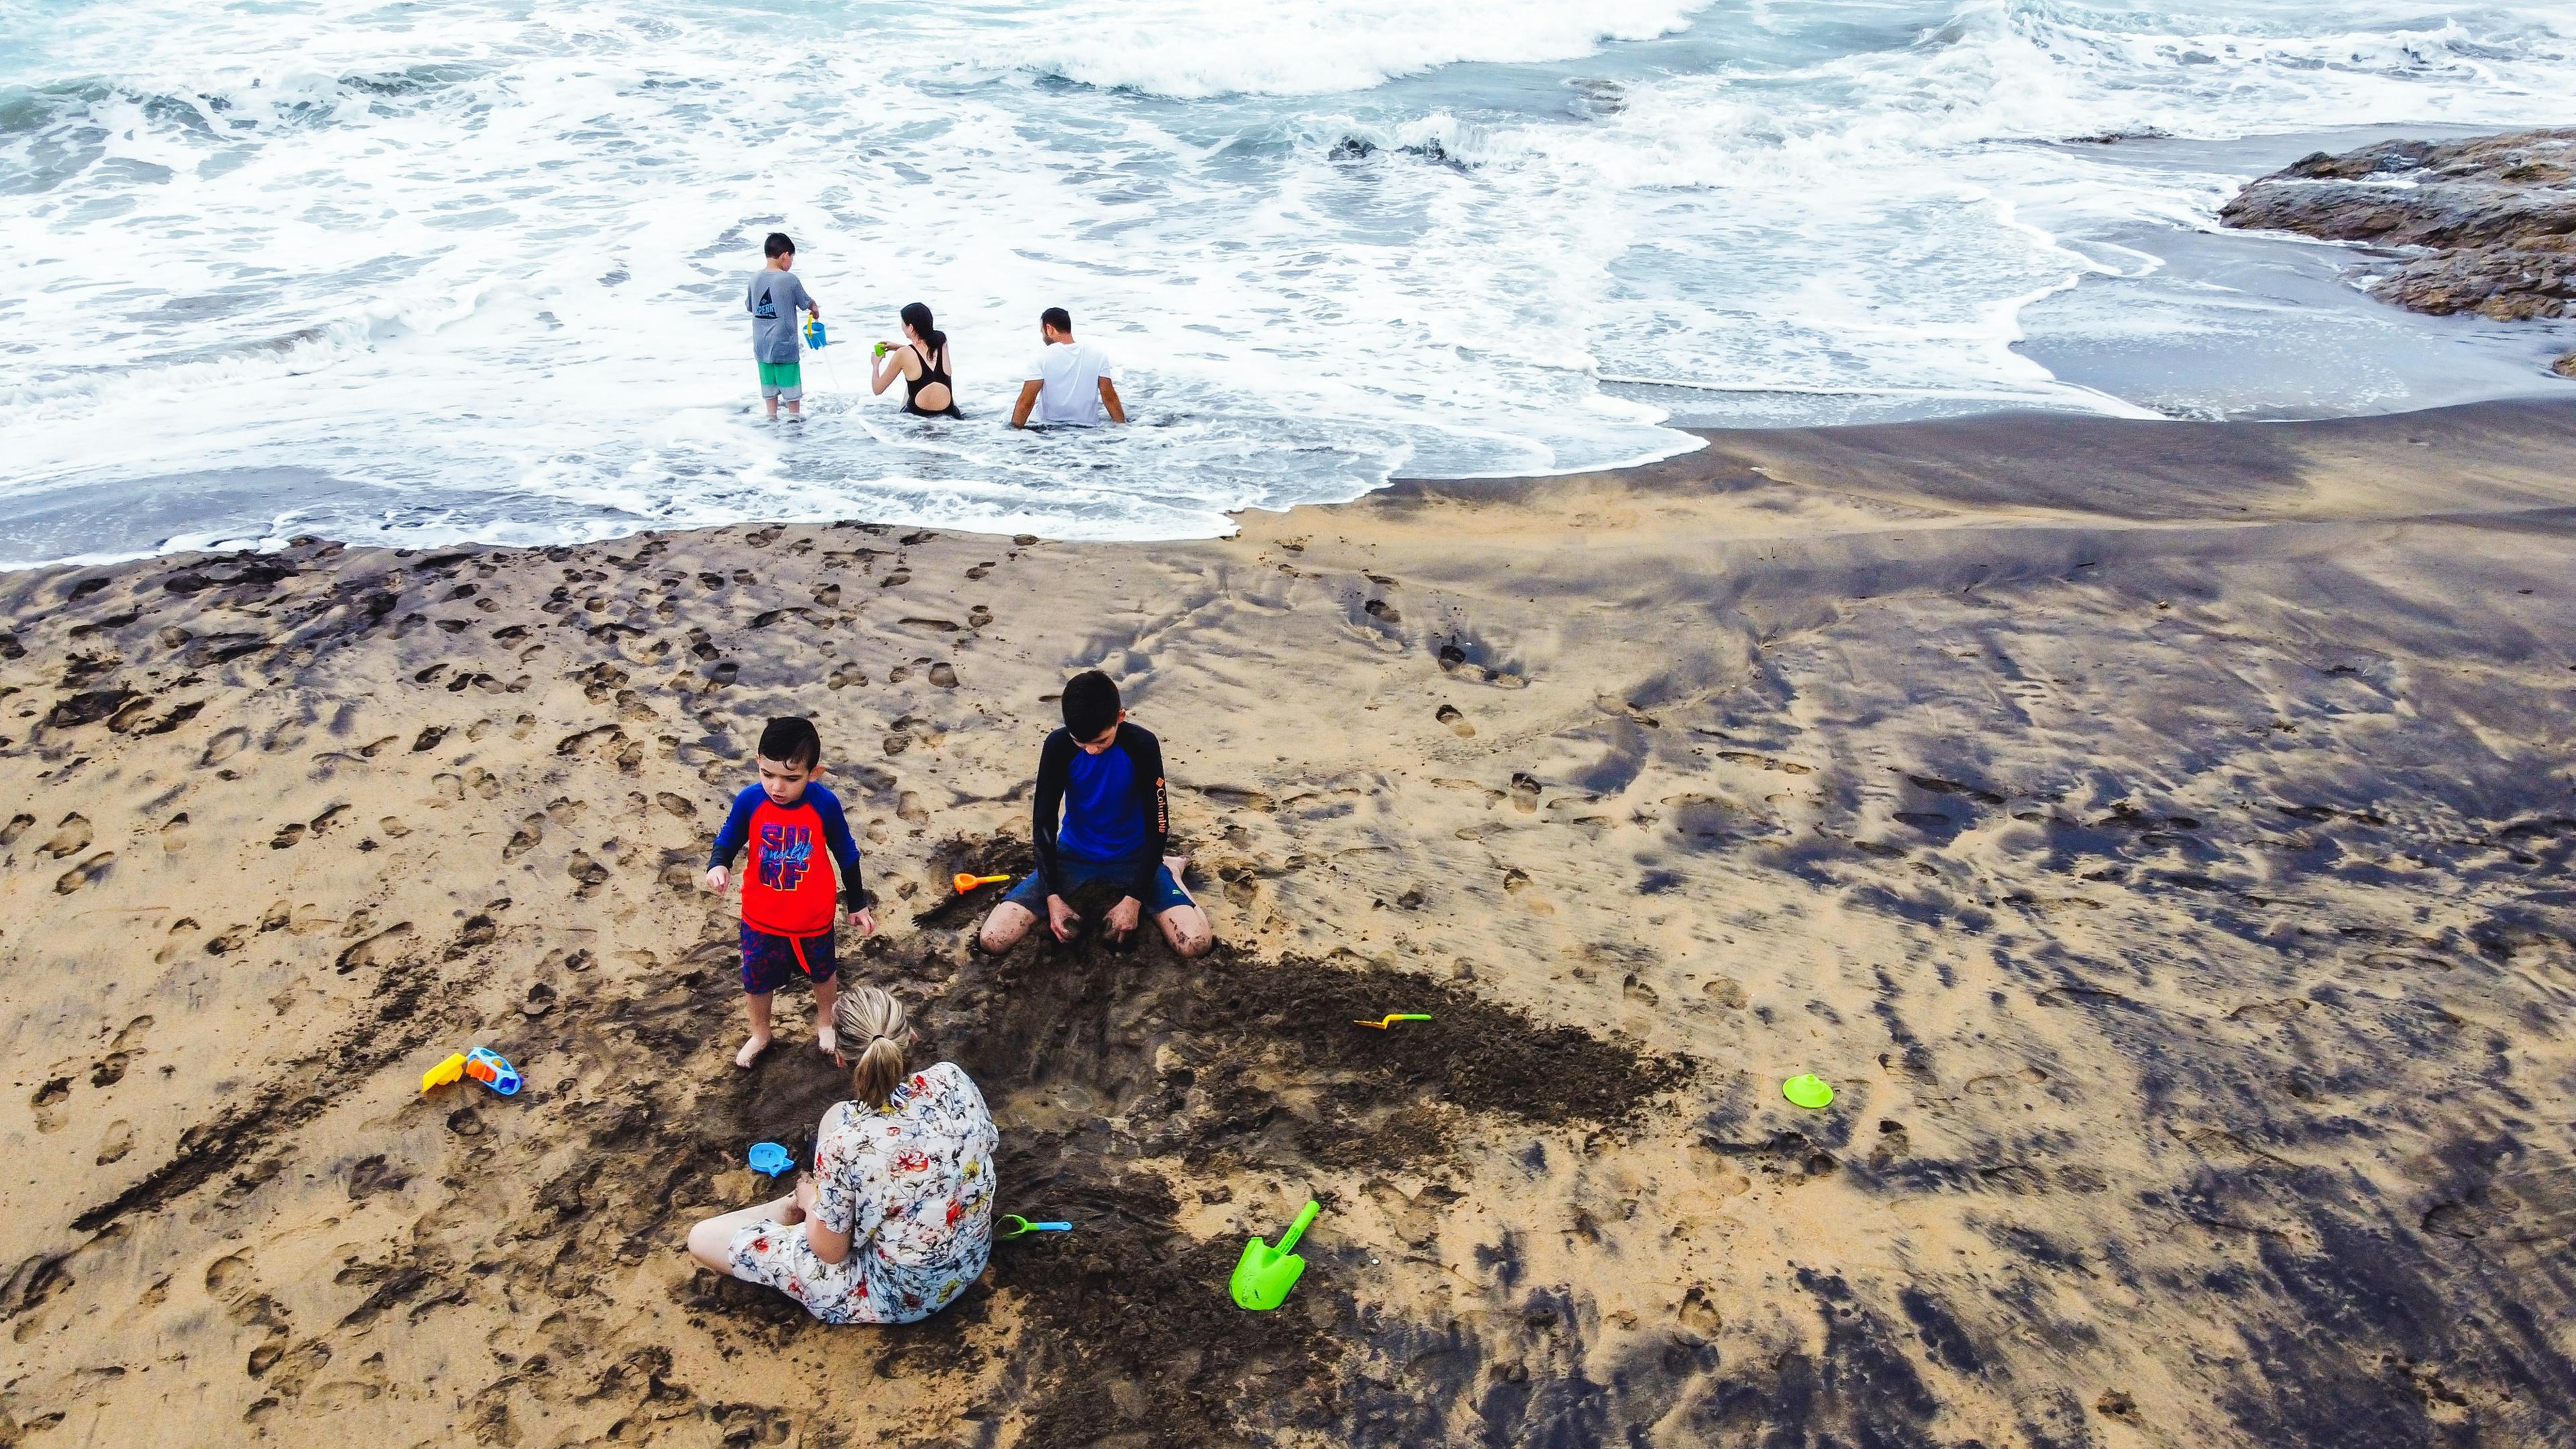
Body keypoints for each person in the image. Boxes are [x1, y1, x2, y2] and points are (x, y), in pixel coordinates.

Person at [684, 987, 998, 1324]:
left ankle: (797, 1204)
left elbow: (831, 1253)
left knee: (702, 1238)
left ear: (840, 1058)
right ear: (912, 1037)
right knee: (836, 1115)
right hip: (970, 1256)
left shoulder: (846, 1147)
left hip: (902, 1296)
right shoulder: (952, 1078)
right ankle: (814, 1204)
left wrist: (812, 1203)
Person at [979, 670, 1211, 957]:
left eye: (1101, 741)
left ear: (1120, 718)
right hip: (1073, 857)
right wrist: (1052, 897)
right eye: (1081, 742)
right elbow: (1043, 823)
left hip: (1135, 857)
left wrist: (1134, 900)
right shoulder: (1058, 746)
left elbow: (1159, 826)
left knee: (1196, 944)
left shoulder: (1142, 745)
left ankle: (1171, 870)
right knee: (993, 939)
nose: (1091, 750)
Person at [704, 717, 874, 1067]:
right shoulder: (750, 800)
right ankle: (761, 1033)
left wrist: (857, 904)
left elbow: (847, 853)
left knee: (823, 972)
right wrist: (717, 865)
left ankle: (826, 1021)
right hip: (760, 916)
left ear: (815, 773)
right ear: (758, 763)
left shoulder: (824, 804)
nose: (777, 787)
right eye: (768, 774)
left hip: (813, 916)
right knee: (756, 978)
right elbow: (728, 838)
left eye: (791, 778)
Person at [1010, 307, 1125, 429]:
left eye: (1042, 332)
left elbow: (1026, 402)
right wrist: (1124, 429)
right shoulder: (1098, 355)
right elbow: (1110, 398)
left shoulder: (1041, 357)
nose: (1043, 337)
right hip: (1089, 432)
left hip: (1050, 432)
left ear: (1049, 329)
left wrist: (1012, 433)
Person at [746, 233, 819, 421]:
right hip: (785, 346)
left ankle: (772, 427)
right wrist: (815, 309)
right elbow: (806, 303)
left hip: (762, 348)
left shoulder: (754, 279)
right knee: (792, 399)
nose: (791, 263)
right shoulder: (790, 280)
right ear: (785, 255)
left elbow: (750, 307)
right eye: (792, 259)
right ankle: (794, 430)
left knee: (770, 399)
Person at [869, 301, 961, 419]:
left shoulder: (903, 354)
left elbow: (877, 389)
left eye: (903, 323)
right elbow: (922, 355)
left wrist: (876, 364)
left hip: (917, 418)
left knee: (912, 379)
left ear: (911, 327)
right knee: (926, 377)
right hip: (950, 414)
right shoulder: (942, 343)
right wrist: (896, 347)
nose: (902, 326)